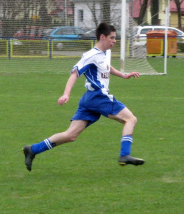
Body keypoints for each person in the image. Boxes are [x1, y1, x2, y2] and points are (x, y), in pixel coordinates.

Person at [23, 23, 144, 171]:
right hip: (98, 96)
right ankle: (125, 154)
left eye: (115, 38)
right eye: (112, 38)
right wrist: (66, 94)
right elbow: (75, 73)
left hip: (89, 99)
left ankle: (33, 149)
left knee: (70, 135)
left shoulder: (105, 53)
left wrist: (123, 75)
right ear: (102, 37)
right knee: (131, 119)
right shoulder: (90, 55)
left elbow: (106, 66)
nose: (114, 41)